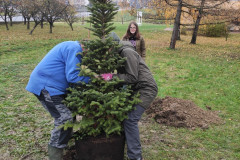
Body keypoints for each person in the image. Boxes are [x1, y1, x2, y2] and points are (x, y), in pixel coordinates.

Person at [25, 41, 90, 160]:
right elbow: (73, 76)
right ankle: (55, 155)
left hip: (57, 87)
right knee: (64, 118)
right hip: (46, 86)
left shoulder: (73, 46)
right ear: (86, 48)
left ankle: (66, 144)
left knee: (71, 112)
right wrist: (94, 78)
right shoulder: (74, 48)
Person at [103, 32, 158, 160]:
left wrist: (111, 78)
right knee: (125, 115)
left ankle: (135, 157)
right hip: (135, 89)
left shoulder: (127, 52)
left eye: (108, 48)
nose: (106, 52)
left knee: (130, 119)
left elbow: (132, 77)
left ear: (113, 45)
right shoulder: (118, 53)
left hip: (146, 89)